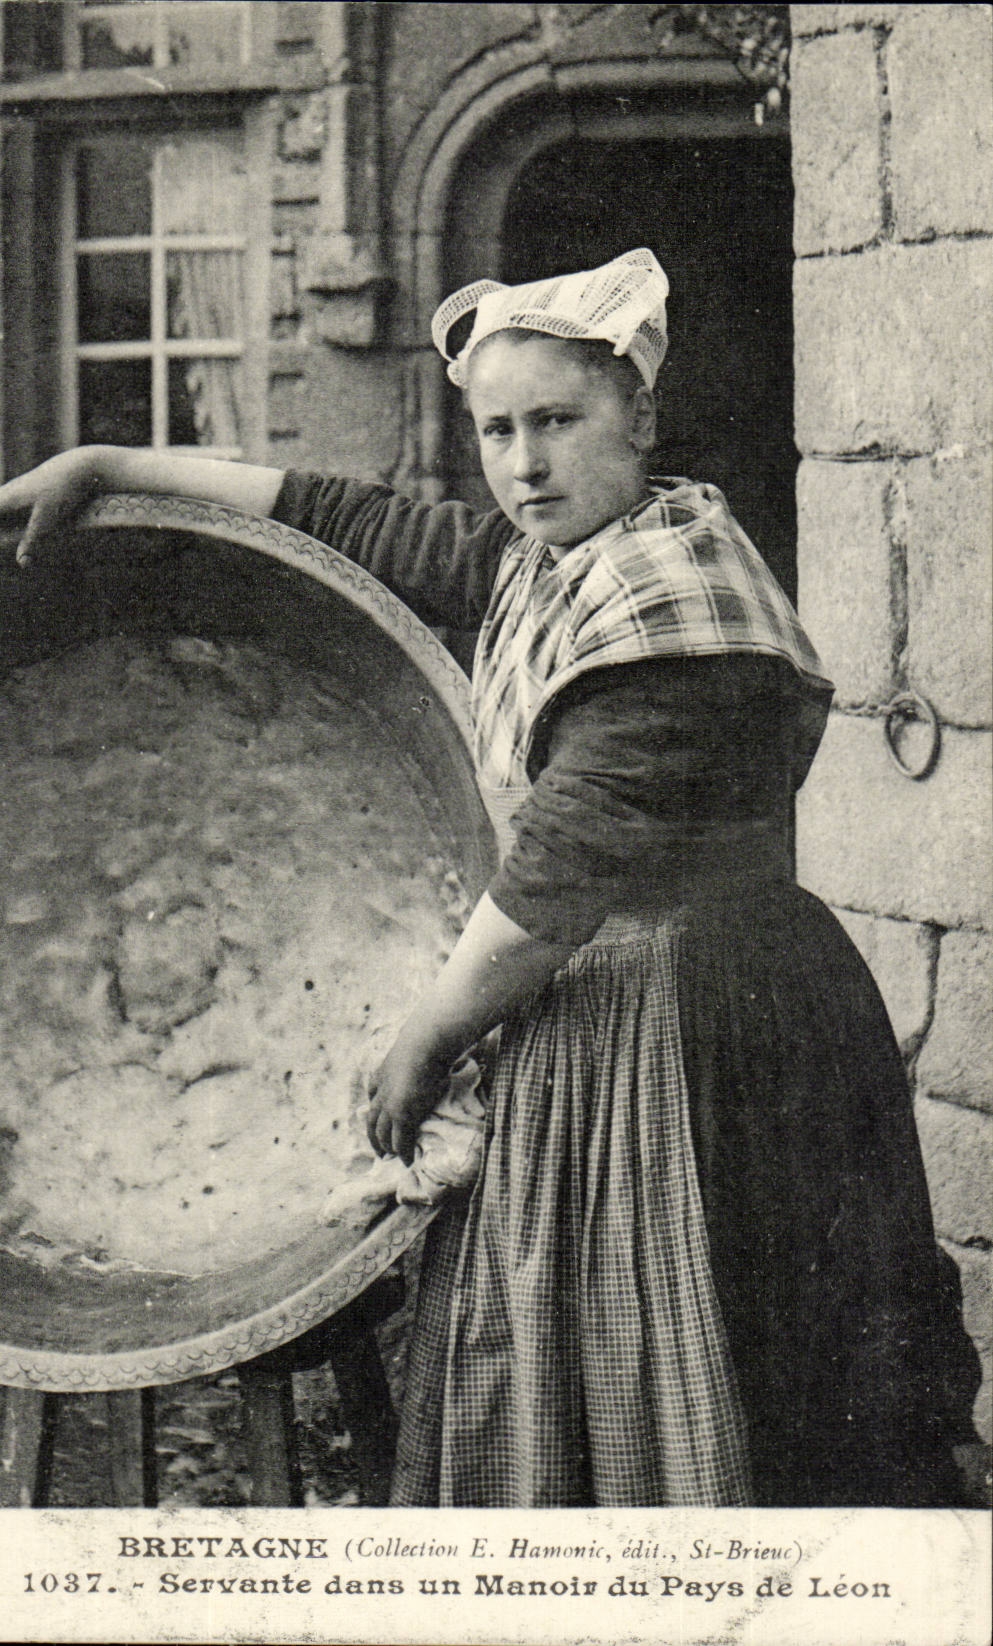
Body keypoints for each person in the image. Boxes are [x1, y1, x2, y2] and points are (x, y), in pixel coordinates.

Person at [0, 249, 978, 1509]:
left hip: (700, 1018)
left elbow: (556, 875)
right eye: (497, 431)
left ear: (641, 416)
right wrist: (112, 466)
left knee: (724, 1343)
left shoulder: (673, 609)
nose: (525, 463)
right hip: (603, 994)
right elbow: (341, 516)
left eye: (558, 422)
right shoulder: (556, 562)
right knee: (578, 1350)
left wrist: (425, 1035)